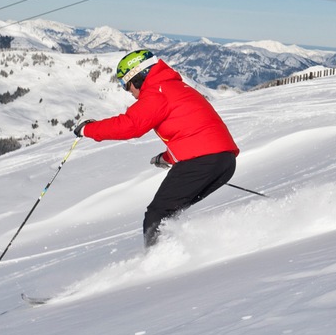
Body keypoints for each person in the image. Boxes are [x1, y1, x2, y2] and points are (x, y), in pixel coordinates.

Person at [69, 49, 239, 247]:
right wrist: (168, 157)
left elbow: (130, 125)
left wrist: (88, 129)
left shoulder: (157, 92)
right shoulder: (175, 87)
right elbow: (193, 130)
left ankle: (157, 266)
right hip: (224, 161)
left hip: (202, 161)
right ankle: (186, 252)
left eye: (127, 85)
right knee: (170, 214)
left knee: (158, 214)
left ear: (138, 77)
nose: (129, 92)